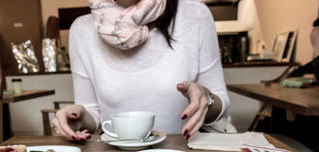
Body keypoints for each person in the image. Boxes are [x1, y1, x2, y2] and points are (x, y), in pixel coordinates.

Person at [53, 0, 230, 141]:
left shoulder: (195, 14)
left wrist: (207, 99)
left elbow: (221, 102)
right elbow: (92, 114)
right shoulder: (81, 30)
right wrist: (79, 118)